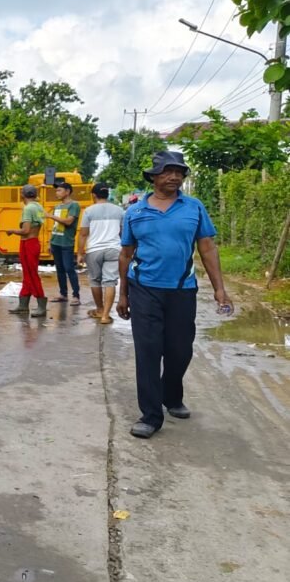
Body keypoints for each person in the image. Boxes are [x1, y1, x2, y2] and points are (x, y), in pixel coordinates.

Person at [117, 152, 233, 439]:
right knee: (148, 352)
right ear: (154, 177)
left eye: (179, 172)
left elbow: (207, 248)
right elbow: (126, 254)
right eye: (167, 172)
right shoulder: (134, 212)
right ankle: (151, 415)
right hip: (144, 290)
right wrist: (123, 294)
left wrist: (220, 289)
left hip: (182, 290)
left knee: (180, 350)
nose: (174, 177)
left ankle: (172, 395)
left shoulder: (193, 207)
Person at [77, 182, 124, 324]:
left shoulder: (89, 211)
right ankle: (105, 315)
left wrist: (80, 253)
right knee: (110, 281)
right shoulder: (119, 210)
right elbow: (122, 232)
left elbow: (83, 234)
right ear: (107, 194)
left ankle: (99, 309)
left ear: (93, 195)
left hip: (94, 250)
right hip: (114, 249)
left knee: (95, 280)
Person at [6, 183, 47, 317]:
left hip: (28, 243)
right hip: (33, 242)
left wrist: (12, 231)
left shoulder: (28, 208)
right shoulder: (38, 206)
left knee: (31, 275)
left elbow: (26, 230)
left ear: (22, 194)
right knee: (28, 274)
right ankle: (23, 304)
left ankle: (41, 304)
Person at [45, 182, 81, 305]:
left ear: (67, 191)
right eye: (57, 191)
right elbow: (56, 226)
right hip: (56, 241)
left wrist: (50, 216)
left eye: (59, 190)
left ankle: (76, 295)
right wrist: (50, 242)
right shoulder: (57, 206)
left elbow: (68, 222)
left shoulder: (74, 205)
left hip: (67, 242)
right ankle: (63, 294)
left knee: (69, 268)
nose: (57, 193)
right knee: (59, 269)